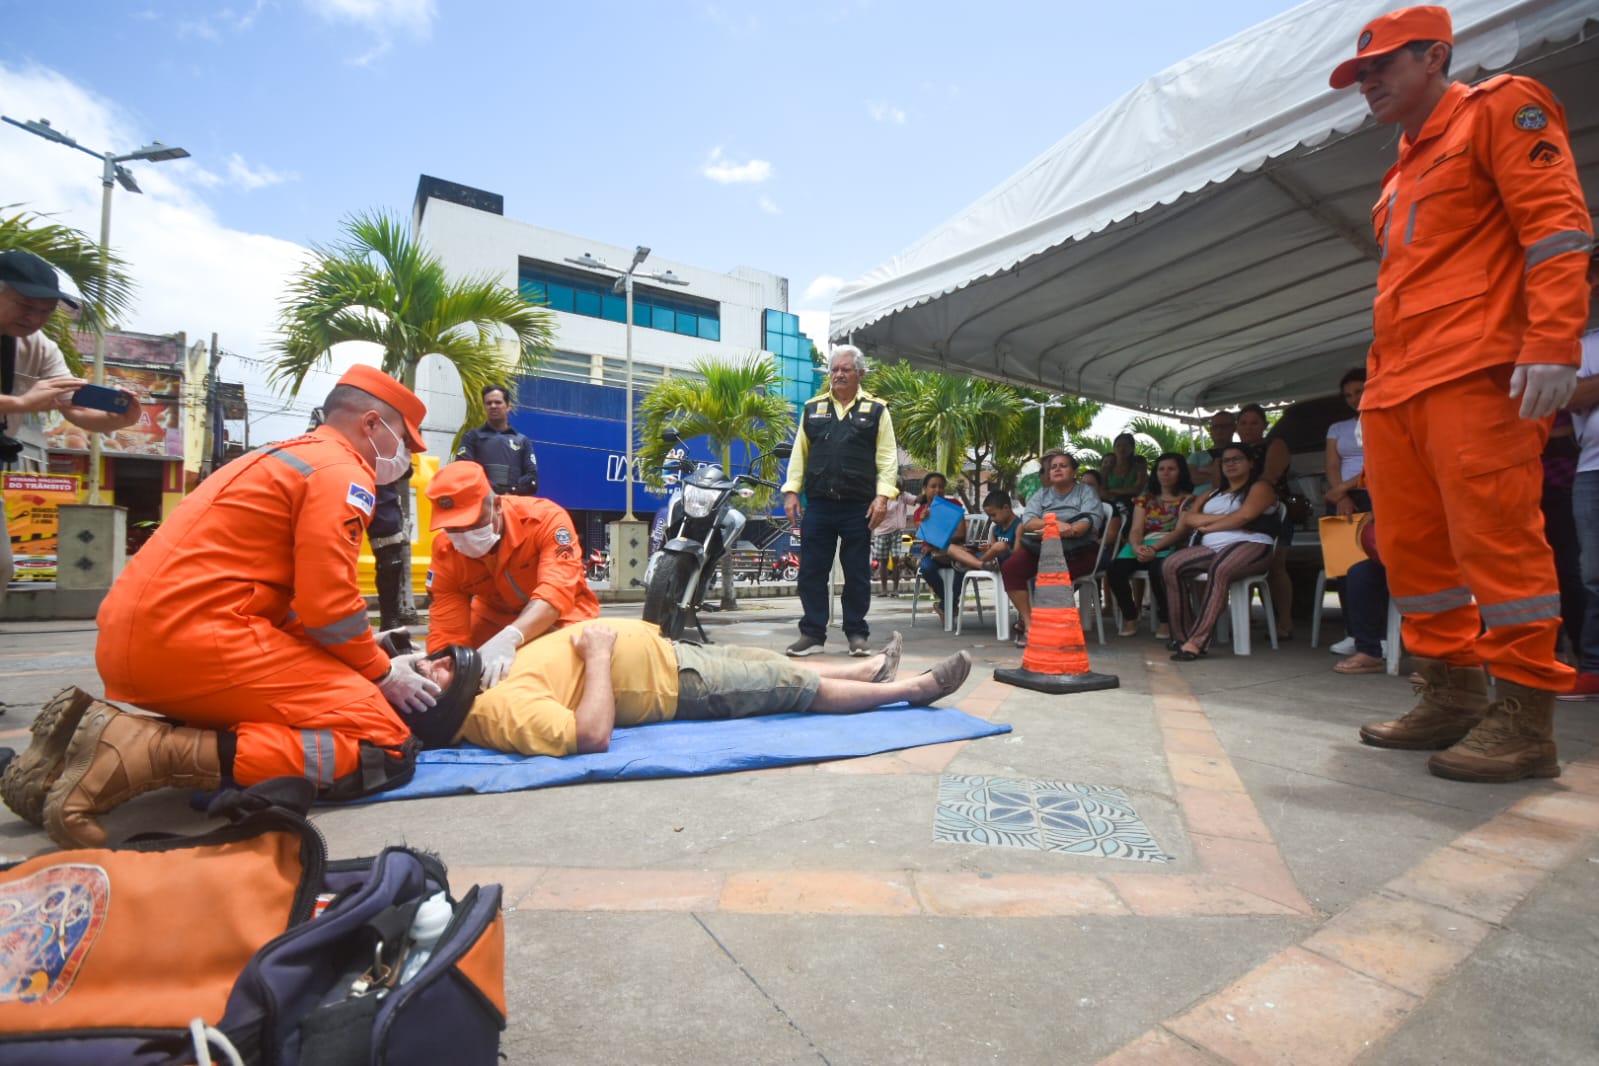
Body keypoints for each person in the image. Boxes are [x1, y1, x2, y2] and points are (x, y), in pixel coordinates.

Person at [18, 365, 442, 848]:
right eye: (403, 441)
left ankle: (69, 756)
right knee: (384, 744)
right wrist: (381, 673)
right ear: (370, 424)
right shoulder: (342, 473)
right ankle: (149, 752)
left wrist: (364, 647)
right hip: (201, 642)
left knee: (307, 709)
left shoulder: (276, 458)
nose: (404, 456)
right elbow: (329, 604)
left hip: (144, 640)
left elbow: (277, 596)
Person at [1329, 6, 1592, 781]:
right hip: (1395, 387)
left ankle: (1525, 721)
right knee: (1412, 551)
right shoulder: (1398, 172)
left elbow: (1555, 227)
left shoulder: (1499, 109)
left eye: (1381, 65)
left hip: (1475, 373)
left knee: (1496, 542)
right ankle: (1449, 692)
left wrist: (1553, 340)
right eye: (1360, 73)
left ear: (1434, 56)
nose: (1367, 82)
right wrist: (1374, 393)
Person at [425, 621, 970, 758]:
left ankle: (869, 671)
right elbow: (590, 734)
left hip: (671, 656)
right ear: (442, 708)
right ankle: (911, 691)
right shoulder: (495, 713)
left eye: (429, 662)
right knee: (792, 684)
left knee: (767, 662)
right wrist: (598, 655)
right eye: (434, 675)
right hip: (677, 685)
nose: (439, 662)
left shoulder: (485, 683)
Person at [0, 251, 142, 611]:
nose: (34, 318)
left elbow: (74, 408)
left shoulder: (39, 347)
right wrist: (18, 403)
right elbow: (27, 402)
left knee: (1, 566)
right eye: (25, 305)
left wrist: (116, 421)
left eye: (46, 311)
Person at [424, 460, 600, 688]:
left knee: (560, 672)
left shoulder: (545, 519)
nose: (464, 534)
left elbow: (555, 593)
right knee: (461, 671)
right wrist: (448, 674)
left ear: (497, 505)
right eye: (452, 528)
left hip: (563, 617)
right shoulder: (446, 551)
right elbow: (447, 630)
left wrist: (512, 636)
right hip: (493, 618)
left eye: (472, 523)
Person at [781, 345, 899, 657]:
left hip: (858, 506)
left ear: (860, 373)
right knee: (811, 571)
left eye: (846, 369)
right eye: (834, 369)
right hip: (819, 504)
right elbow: (799, 453)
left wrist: (883, 497)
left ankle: (857, 634)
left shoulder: (876, 410)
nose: (838, 374)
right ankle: (812, 634)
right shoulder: (813, 408)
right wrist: (792, 491)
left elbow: (887, 458)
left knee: (857, 573)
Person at [1162, 444, 1279, 661]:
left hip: (1251, 544)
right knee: (1171, 565)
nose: (1230, 464)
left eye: (1237, 459)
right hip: (1212, 548)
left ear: (1250, 463)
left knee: (1220, 568)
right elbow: (1188, 519)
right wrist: (1228, 520)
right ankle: (1182, 636)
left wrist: (1208, 526)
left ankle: (1197, 642)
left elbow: (1245, 516)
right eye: (1226, 460)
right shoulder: (1211, 493)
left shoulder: (1261, 487)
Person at [1002, 450, 1104, 647]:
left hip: (1079, 550)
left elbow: (1089, 522)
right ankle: (1030, 625)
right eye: (1053, 467)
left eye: (1063, 466)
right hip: (1044, 548)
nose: (1057, 469)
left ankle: (1051, 631)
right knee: (1011, 568)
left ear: (1074, 472)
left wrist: (1070, 530)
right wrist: (1055, 525)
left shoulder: (1085, 492)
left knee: (1052, 575)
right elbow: (1028, 522)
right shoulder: (1042, 494)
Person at [1563, 248, 1599, 701]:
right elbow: (1569, 395)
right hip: (1592, 470)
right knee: (1593, 573)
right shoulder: (1586, 343)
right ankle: (1595, 667)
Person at [1107, 452, 1194, 638]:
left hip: (1171, 544)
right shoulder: (1145, 499)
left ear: (1181, 472)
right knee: (1115, 570)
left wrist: (1155, 548)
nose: (1165, 473)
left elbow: (1180, 531)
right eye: (1161, 469)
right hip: (1143, 543)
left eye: (1171, 469)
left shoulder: (1189, 500)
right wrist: (1136, 546)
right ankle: (1130, 617)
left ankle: (1165, 620)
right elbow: (1136, 529)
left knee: (1159, 571)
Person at [1235, 403, 1295, 638]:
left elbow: (1271, 476)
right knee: (1242, 565)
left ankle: (1285, 622)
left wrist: (1251, 500)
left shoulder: (1275, 444)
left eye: (1254, 423)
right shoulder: (1233, 452)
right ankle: (1245, 618)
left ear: (1264, 425)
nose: (1248, 427)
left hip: (1272, 512)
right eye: (1243, 423)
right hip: (1239, 512)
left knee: (1276, 568)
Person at [454, 383, 538, 496]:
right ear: (484, 407)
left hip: (512, 502)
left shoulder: (523, 441)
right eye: (488, 403)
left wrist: (510, 492)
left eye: (498, 402)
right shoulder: (471, 437)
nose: (493, 406)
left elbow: (532, 478)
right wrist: (492, 492)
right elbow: (464, 472)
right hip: (481, 502)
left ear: (508, 406)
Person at [870, 478, 918, 597]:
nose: (901, 490)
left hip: (897, 532)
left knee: (896, 560)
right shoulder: (883, 497)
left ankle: (895, 589)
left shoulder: (903, 496)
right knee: (883, 561)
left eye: (903, 487)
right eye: (899, 487)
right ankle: (884, 590)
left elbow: (916, 499)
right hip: (882, 531)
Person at [1102, 432, 1150, 517]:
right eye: (1118, 446)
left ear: (1132, 448)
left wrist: (1113, 491)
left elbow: (1137, 489)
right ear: (1114, 448)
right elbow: (1102, 491)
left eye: (1125, 446)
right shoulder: (1107, 468)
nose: (1121, 449)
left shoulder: (1138, 467)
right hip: (1110, 507)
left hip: (1133, 507)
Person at [1187, 409, 1237, 490]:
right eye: (1215, 427)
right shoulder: (1197, 456)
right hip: (1198, 497)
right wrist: (1222, 474)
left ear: (1234, 428)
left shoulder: (1241, 453)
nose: (1219, 430)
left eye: (1224, 426)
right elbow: (1192, 478)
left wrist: (1203, 470)